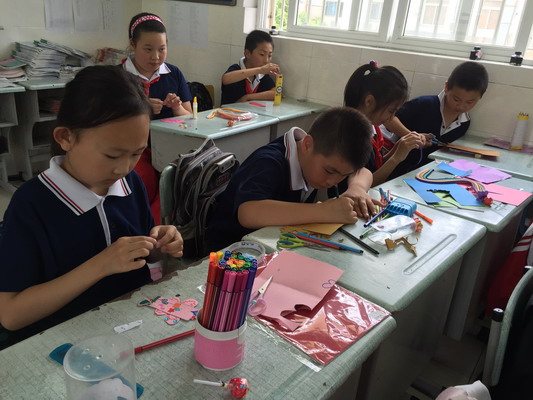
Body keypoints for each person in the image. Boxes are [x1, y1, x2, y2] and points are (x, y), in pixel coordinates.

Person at [0, 66, 184, 350]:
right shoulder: (31, 204)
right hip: (67, 342)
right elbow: (11, 315)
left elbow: (142, 256)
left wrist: (160, 245)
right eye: (111, 155)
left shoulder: (129, 182)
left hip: (131, 322)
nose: (123, 168)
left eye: (136, 153)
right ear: (66, 137)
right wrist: (100, 265)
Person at [207, 107, 373, 251]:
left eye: (344, 175)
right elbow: (248, 212)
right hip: (230, 253)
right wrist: (324, 211)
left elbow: (362, 172)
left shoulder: (319, 160)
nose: (333, 181)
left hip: (275, 246)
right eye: (330, 171)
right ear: (307, 144)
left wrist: (357, 188)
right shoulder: (268, 162)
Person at [382, 61, 489, 177]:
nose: (462, 106)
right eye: (456, 99)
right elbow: (387, 118)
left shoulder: (464, 123)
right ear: (446, 87)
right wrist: (412, 136)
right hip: (394, 171)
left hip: (425, 176)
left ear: (480, 97)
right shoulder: (424, 104)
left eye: (470, 102)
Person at [344, 61, 424, 186]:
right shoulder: (351, 135)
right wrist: (396, 158)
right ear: (369, 101)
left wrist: (398, 148)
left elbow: (374, 166)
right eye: (391, 111)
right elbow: (363, 186)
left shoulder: (372, 127)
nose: (391, 117)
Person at [220, 30, 280, 105]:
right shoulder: (237, 69)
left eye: (269, 55)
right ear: (247, 53)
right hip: (228, 112)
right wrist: (260, 70)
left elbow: (276, 93)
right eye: (262, 54)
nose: (266, 60)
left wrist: (248, 97)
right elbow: (226, 79)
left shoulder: (262, 76)